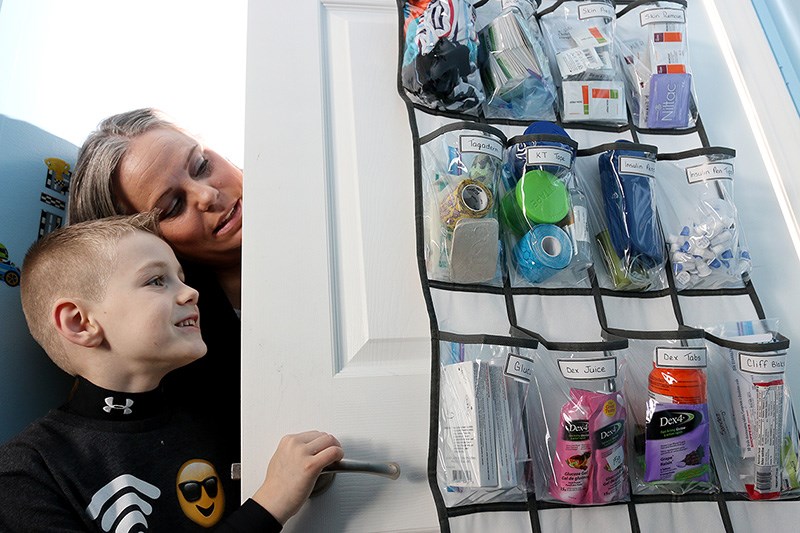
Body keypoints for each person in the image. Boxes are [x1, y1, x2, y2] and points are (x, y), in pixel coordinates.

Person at [0, 214, 344, 530]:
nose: (191, 292)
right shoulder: (28, 471)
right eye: (156, 280)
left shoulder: (213, 420)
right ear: (80, 323)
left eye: (181, 278)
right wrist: (272, 503)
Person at [68, 108, 246, 488]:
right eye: (173, 207)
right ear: (150, 244)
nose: (208, 195)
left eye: (200, 165)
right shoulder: (186, 360)